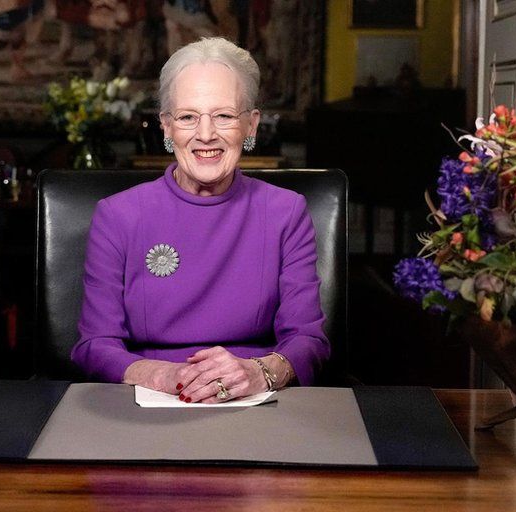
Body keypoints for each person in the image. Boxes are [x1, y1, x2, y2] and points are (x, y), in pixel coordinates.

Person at [71, 37, 329, 402]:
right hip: (147, 402)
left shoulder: (286, 212)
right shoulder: (117, 215)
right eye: (188, 117)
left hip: (254, 402)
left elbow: (308, 340)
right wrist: (167, 376)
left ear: (251, 126)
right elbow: (95, 345)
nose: (205, 135)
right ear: (166, 127)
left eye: (223, 116)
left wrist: (259, 372)